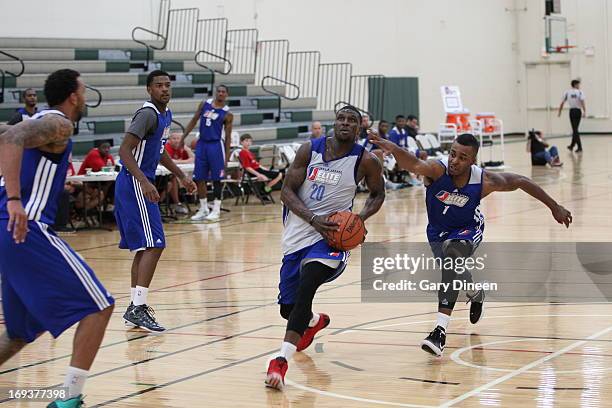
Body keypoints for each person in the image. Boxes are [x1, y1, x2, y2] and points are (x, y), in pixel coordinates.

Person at [368, 132, 572, 357]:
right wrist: (395, 149)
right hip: (437, 232)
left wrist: (554, 206)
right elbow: (415, 163)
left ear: (473, 161)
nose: (455, 160)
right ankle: (476, 292)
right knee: (455, 269)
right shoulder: (438, 170)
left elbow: (521, 181)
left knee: (452, 260)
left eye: (462, 157)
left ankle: (439, 332)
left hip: (468, 229)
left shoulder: (484, 180)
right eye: (453, 154)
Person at [0, 69, 114, 408]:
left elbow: (6, 136)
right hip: (26, 226)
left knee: (20, 332)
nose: (85, 92)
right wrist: (16, 199)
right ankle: (68, 399)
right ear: (74, 95)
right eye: (83, 86)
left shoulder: (40, 123)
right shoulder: (60, 123)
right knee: (100, 306)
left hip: (7, 229)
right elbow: (10, 139)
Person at [265, 105, 385, 390]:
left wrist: (359, 218)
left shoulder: (365, 161)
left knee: (308, 281)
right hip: (299, 233)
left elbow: (378, 194)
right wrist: (313, 219)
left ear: (359, 128)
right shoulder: (310, 150)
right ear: (335, 123)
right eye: (341, 118)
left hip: (331, 238)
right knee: (289, 309)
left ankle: (280, 361)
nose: (345, 123)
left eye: (352, 121)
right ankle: (314, 321)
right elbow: (286, 192)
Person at [114, 70, 197, 333]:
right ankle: (138, 308)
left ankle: (134, 308)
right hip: (134, 182)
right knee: (155, 244)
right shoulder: (147, 114)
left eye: (167, 85)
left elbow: (159, 153)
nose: (164, 89)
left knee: (145, 246)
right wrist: (145, 182)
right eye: (159, 85)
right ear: (149, 89)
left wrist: (181, 176)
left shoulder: (165, 115)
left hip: (138, 182)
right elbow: (124, 151)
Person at [183, 85, 233, 221]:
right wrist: (183, 137)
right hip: (202, 144)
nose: (221, 93)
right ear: (215, 93)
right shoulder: (204, 105)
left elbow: (228, 137)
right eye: (219, 91)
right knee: (199, 177)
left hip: (216, 145)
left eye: (224, 92)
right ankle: (203, 208)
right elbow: (194, 120)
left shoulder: (227, 113)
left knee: (217, 179)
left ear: (227, 95)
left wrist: (227, 157)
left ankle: (216, 209)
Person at [558, 79, 586, 152]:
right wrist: (584, 111)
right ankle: (572, 145)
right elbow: (582, 102)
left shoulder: (567, 92)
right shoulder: (580, 92)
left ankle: (579, 147)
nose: (579, 86)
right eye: (578, 84)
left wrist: (559, 111)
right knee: (575, 129)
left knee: (575, 129)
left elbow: (562, 103)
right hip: (578, 111)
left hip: (572, 111)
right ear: (575, 85)